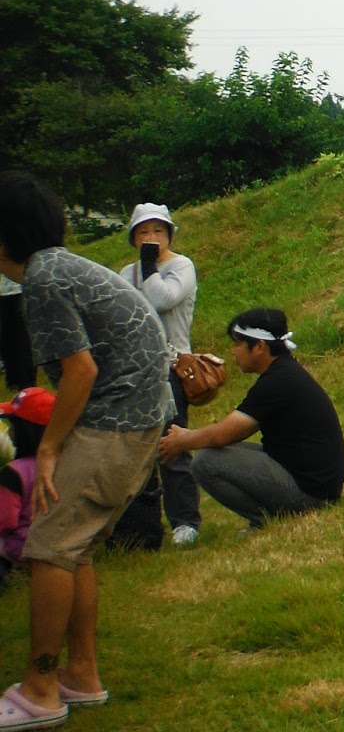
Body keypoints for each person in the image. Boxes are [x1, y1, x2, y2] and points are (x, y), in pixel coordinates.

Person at [0, 169, 170, 727]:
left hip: (114, 425)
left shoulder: (44, 279)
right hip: (136, 422)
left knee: (48, 549)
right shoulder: (61, 267)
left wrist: (49, 448)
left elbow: (81, 371)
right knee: (74, 550)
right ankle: (81, 675)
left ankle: (40, 691)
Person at [158, 308, 344, 530]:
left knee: (206, 461)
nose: (233, 352)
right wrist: (187, 438)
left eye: (238, 344)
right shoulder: (284, 372)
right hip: (316, 485)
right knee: (217, 452)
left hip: (310, 494)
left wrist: (182, 440)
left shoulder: (278, 381)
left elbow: (222, 435)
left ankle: (265, 520)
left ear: (259, 347)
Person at [119, 202, 202, 549]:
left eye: (157, 230)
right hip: (135, 369)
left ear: (169, 234)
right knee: (138, 447)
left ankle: (185, 521)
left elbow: (163, 299)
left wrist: (149, 266)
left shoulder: (181, 266)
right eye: (143, 232)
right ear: (134, 237)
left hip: (171, 366)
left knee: (172, 443)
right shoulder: (127, 273)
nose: (151, 237)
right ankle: (144, 525)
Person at [0, 388, 56, 585]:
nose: (9, 432)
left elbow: (5, 522)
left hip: (21, 548)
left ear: (25, 431)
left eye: (13, 425)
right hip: (62, 543)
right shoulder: (67, 464)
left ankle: (11, 572)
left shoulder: (13, 473)